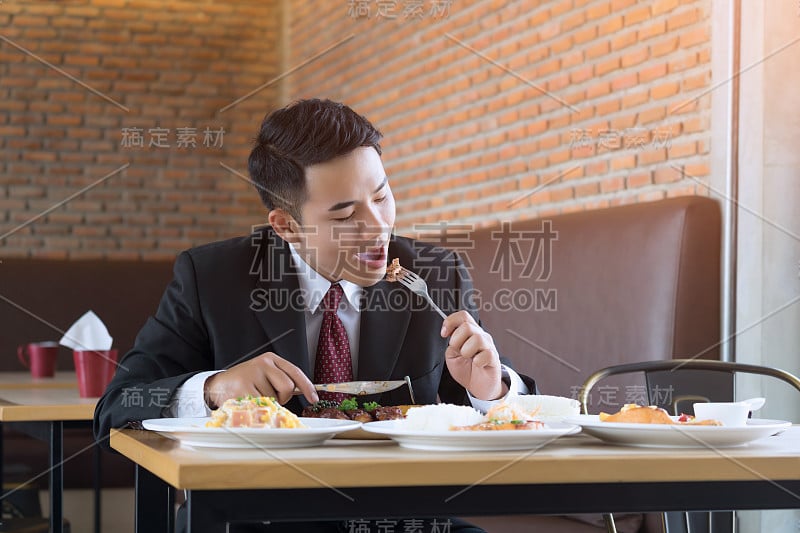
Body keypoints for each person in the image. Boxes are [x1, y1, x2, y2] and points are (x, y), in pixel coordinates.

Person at [94, 98, 536, 532]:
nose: (378, 227)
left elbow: (489, 415)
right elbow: (116, 409)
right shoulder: (211, 278)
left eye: (382, 196)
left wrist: (489, 391)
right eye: (345, 215)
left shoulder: (436, 275)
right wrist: (214, 389)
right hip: (253, 519)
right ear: (286, 225)